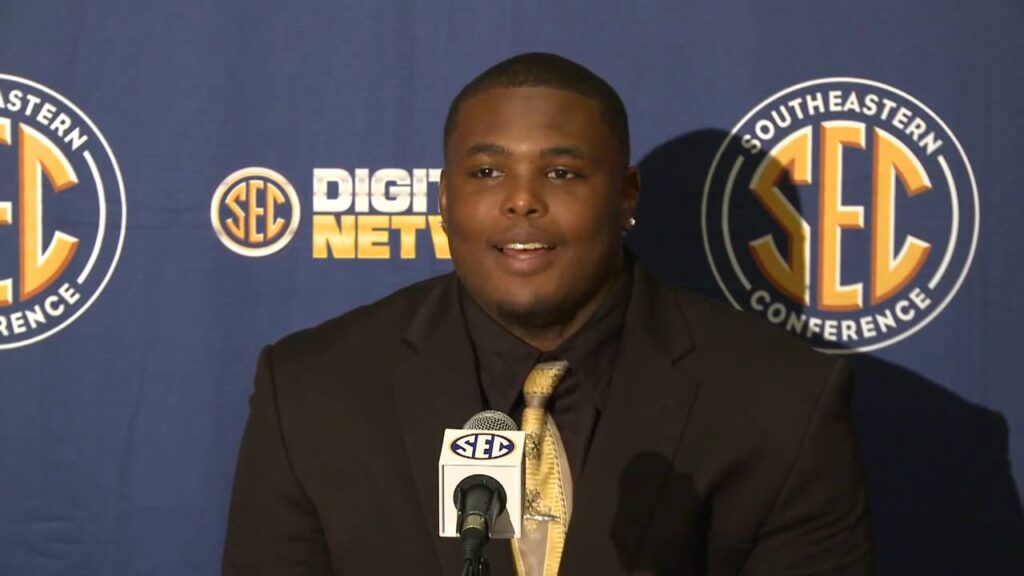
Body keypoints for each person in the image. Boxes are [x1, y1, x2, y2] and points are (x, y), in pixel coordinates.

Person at [222, 52, 872, 575]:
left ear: (625, 197)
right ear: (445, 201)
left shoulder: (782, 400)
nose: (521, 201)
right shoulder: (312, 391)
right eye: (486, 172)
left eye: (561, 173)